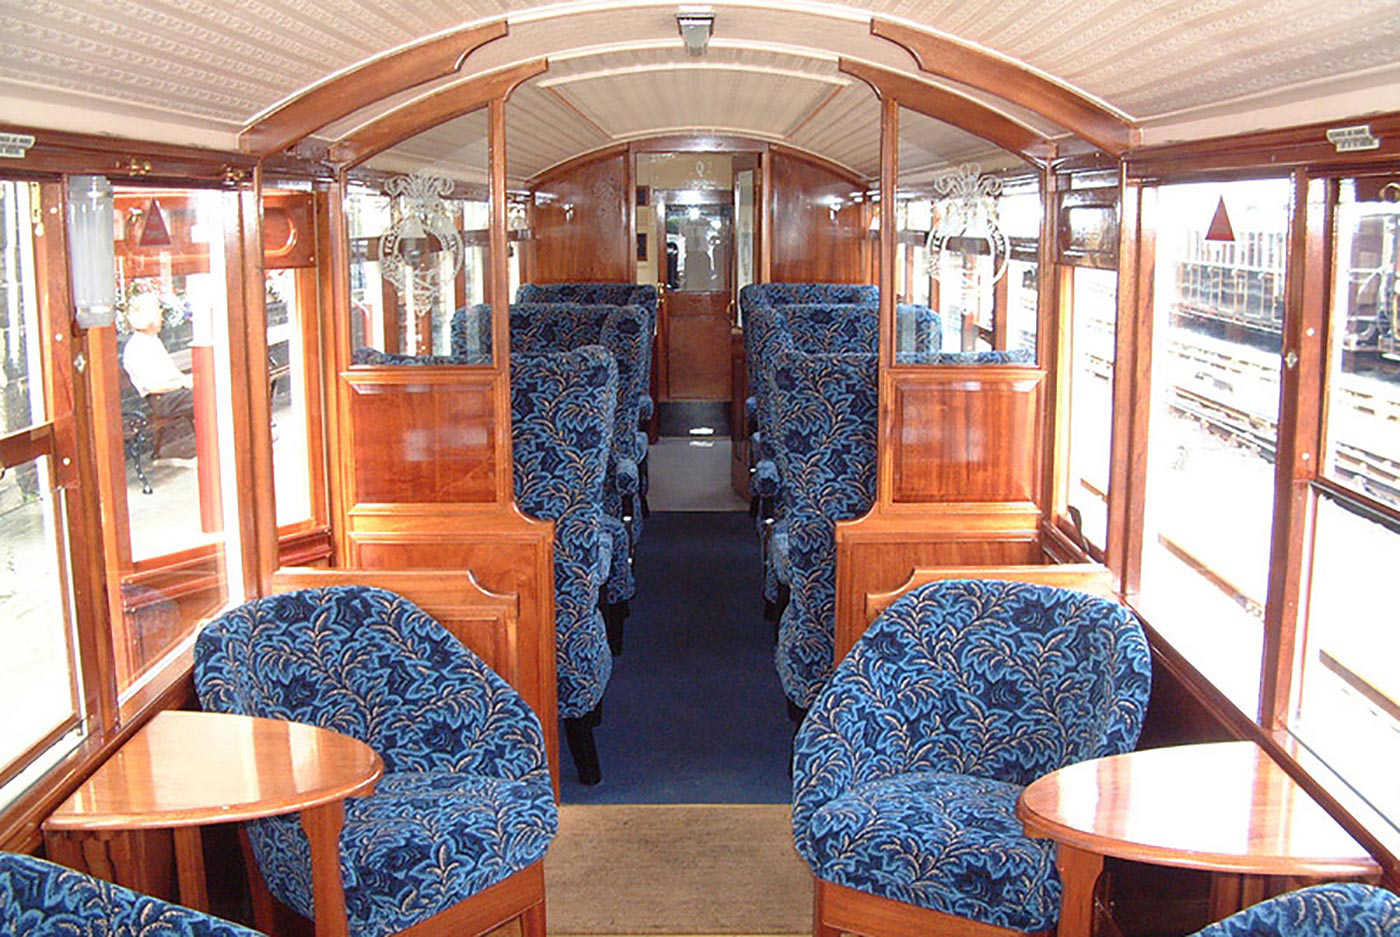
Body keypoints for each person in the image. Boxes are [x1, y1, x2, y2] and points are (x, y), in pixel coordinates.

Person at [122, 293, 193, 419]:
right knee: (206, 397)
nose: (161, 318)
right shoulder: (137, 347)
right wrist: (183, 383)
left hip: (173, 393)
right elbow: (152, 386)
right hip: (164, 399)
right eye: (157, 313)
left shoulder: (152, 340)